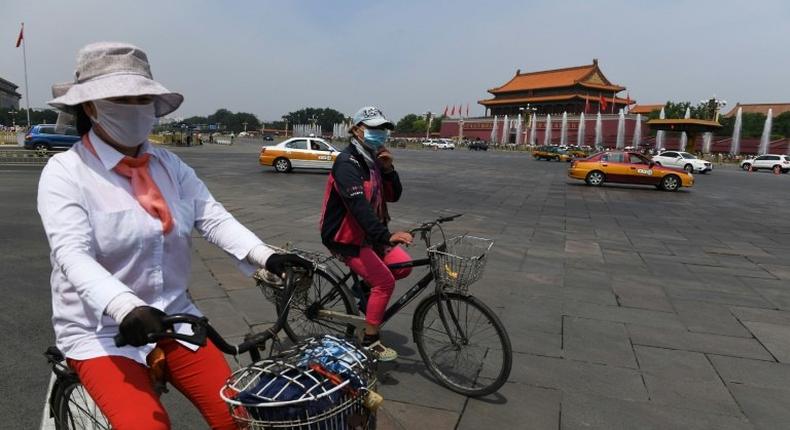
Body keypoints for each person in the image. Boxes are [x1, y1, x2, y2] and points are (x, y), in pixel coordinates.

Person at [39, 42, 309, 430]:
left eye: (141, 97)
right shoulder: (66, 172)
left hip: (174, 317)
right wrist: (123, 305)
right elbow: (72, 255)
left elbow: (211, 216)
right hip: (102, 329)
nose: (134, 107)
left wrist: (264, 255)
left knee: (240, 418)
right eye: (120, 98)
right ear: (90, 106)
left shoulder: (169, 164)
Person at [319, 106, 412, 361]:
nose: (380, 134)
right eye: (374, 128)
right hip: (345, 236)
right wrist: (385, 235)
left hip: (368, 235)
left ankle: (363, 286)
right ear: (358, 129)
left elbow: (393, 196)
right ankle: (370, 339)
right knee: (384, 281)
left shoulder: (373, 160)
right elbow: (358, 205)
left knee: (403, 265)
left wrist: (389, 169)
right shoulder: (347, 163)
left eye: (383, 129)